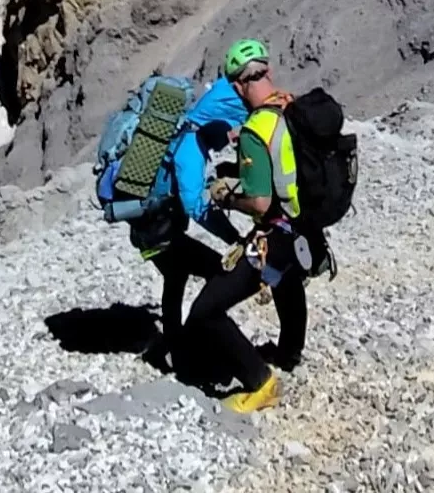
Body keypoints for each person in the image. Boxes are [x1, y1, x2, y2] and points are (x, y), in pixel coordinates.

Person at [183, 38, 328, 413]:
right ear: (269, 71)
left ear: (236, 86)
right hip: (306, 227)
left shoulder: (254, 130)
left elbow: (260, 202)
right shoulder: (292, 108)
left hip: (276, 233)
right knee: (286, 277)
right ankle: (290, 352)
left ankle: (259, 382)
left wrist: (227, 197)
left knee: (204, 313)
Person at [128, 76, 245, 369]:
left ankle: (174, 347)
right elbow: (194, 205)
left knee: (176, 277)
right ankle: (205, 338)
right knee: (219, 272)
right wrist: (232, 236)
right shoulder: (191, 148)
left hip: (147, 230)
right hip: (161, 232)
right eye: (231, 130)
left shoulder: (185, 136)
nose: (231, 138)